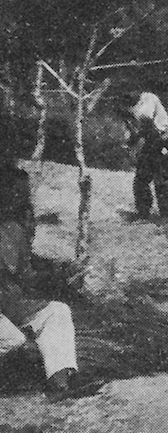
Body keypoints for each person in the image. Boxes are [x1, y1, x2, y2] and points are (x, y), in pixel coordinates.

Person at [0, 157, 97, 401]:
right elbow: (24, 276)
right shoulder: (9, 229)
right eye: (19, 192)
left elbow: (22, 271)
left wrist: (59, 273)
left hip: (9, 304)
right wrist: (61, 277)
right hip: (7, 304)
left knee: (56, 312)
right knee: (13, 340)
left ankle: (61, 383)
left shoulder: (14, 228)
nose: (25, 196)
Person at [121, 91, 168, 222]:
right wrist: (128, 143)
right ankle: (143, 212)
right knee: (140, 179)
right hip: (150, 141)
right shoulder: (128, 108)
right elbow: (132, 131)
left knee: (160, 180)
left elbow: (147, 127)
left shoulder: (148, 100)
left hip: (161, 139)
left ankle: (165, 215)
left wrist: (132, 141)